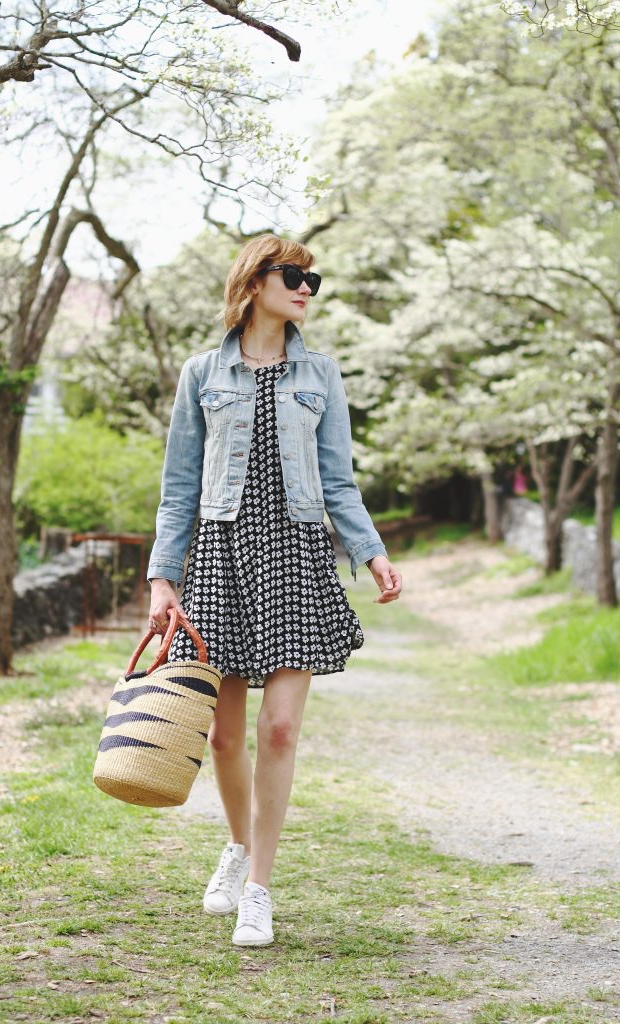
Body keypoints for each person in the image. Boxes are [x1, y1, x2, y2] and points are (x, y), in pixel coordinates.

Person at [147, 235, 403, 947]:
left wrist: (370, 551)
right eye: (293, 275)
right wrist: (162, 580)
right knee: (224, 734)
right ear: (254, 281)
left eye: (311, 279)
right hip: (222, 556)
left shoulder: (318, 374)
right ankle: (236, 845)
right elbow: (178, 489)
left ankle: (259, 887)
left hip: (293, 554)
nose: (306, 288)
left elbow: (337, 481)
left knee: (279, 730)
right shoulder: (203, 373)